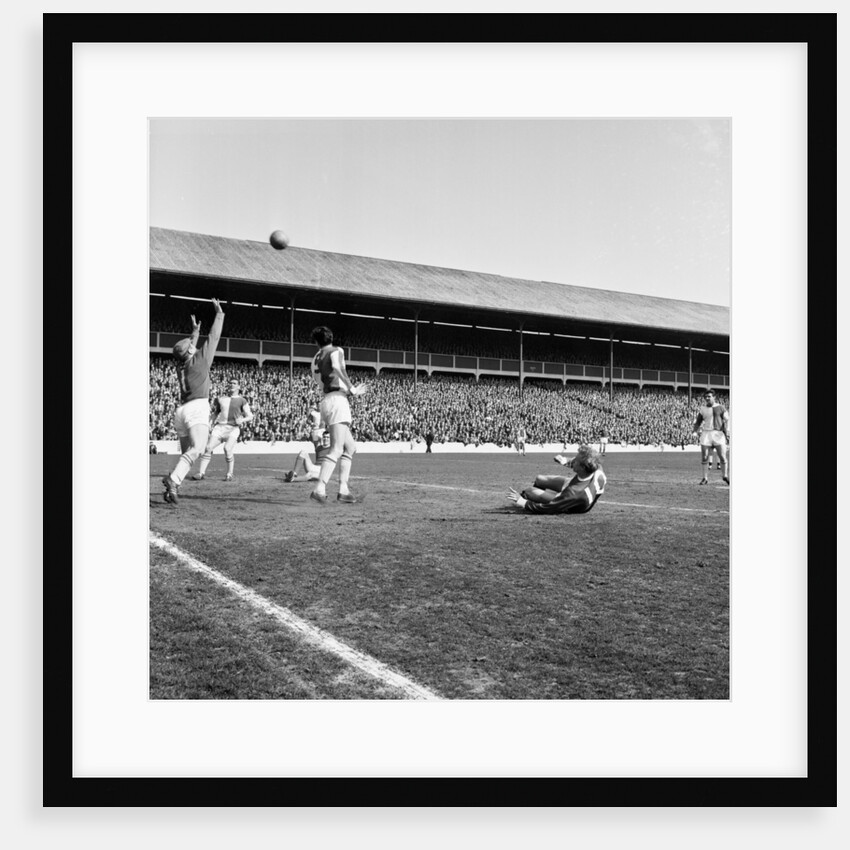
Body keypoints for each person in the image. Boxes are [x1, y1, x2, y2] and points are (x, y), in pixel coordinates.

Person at [161, 299, 225, 504]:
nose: (193, 346)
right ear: (190, 350)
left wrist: (195, 333)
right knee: (198, 449)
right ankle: (173, 480)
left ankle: (173, 487)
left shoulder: (182, 365)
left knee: (188, 454)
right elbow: (214, 337)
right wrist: (219, 315)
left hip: (182, 411)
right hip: (197, 408)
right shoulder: (200, 362)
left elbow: (188, 349)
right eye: (191, 345)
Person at [309, 326, 369, 503]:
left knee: (350, 447)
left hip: (327, 400)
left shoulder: (315, 358)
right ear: (331, 337)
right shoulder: (337, 350)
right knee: (336, 449)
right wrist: (352, 389)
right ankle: (319, 489)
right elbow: (336, 366)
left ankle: (343, 490)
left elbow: (321, 380)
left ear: (316, 342)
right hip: (337, 401)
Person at [506, 445, 606, 514]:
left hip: (569, 503)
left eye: (576, 461)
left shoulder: (575, 492)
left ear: (583, 468)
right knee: (539, 479)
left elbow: (549, 508)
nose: (573, 461)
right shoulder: (596, 467)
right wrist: (564, 460)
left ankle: (529, 501)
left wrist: (521, 501)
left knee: (529, 491)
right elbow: (581, 463)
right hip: (573, 485)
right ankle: (534, 499)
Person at [192, 377, 254, 481]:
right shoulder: (221, 399)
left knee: (227, 448)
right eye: (230, 383)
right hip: (220, 428)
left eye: (234, 383)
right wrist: (209, 424)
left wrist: (242, 420)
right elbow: (215, 413)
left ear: (238, 387)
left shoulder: (242, 400)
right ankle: (201, 473)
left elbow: (250, 416)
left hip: (233, 428)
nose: (232, 384)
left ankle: (230, 474)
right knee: (208, 448)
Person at [692, 389, 730, 485]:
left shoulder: (721, 407)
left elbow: (727, 419)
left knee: (722, 456)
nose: (707, 398)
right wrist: (695, 431)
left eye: (709, 396)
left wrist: (728, 430)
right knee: (704, 456)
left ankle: (725, 476)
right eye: (706, 397)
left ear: (714, 397)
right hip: (706, 434)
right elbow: (698, 422)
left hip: (718, 434)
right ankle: (705, 478)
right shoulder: (703, 409)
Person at [284, 407, 330, 483]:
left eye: (327, 437)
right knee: (303, 452)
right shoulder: (318, 447)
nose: (326, 439)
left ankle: (292, 479)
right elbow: (314, 436)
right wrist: (312, 424)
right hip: (314, 467)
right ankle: (294, 474)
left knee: (310, 474)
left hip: (323, 471)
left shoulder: (332, 448)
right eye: (324, 437)